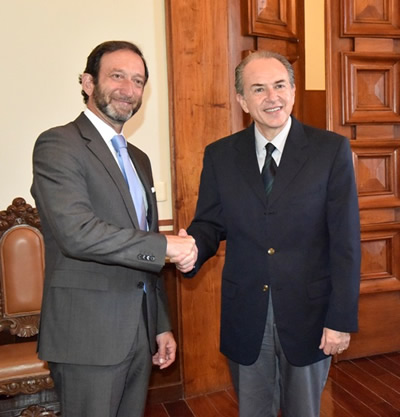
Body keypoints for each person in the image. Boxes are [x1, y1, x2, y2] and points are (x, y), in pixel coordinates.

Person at [181, 50, 361, 417]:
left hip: (311, 314)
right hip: (246, 314)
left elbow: (346, 241)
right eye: (258, 89)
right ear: (242, 100)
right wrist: (190, 248)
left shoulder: (330, 150)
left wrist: (340, 319)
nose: (271, 97)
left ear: (293, 91)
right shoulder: (219, 155)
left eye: (279, 86)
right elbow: (210, 224)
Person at [31, 40, 197, 417]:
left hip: (139, 332)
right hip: (87, 337)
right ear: (88, 83)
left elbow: (140, 249)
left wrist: (161, 326)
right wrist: (166, 245)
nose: (129, 89)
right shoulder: (58, 144)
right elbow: (78, 232)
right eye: (117, 76)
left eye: (138, 81)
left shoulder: (138, 159)